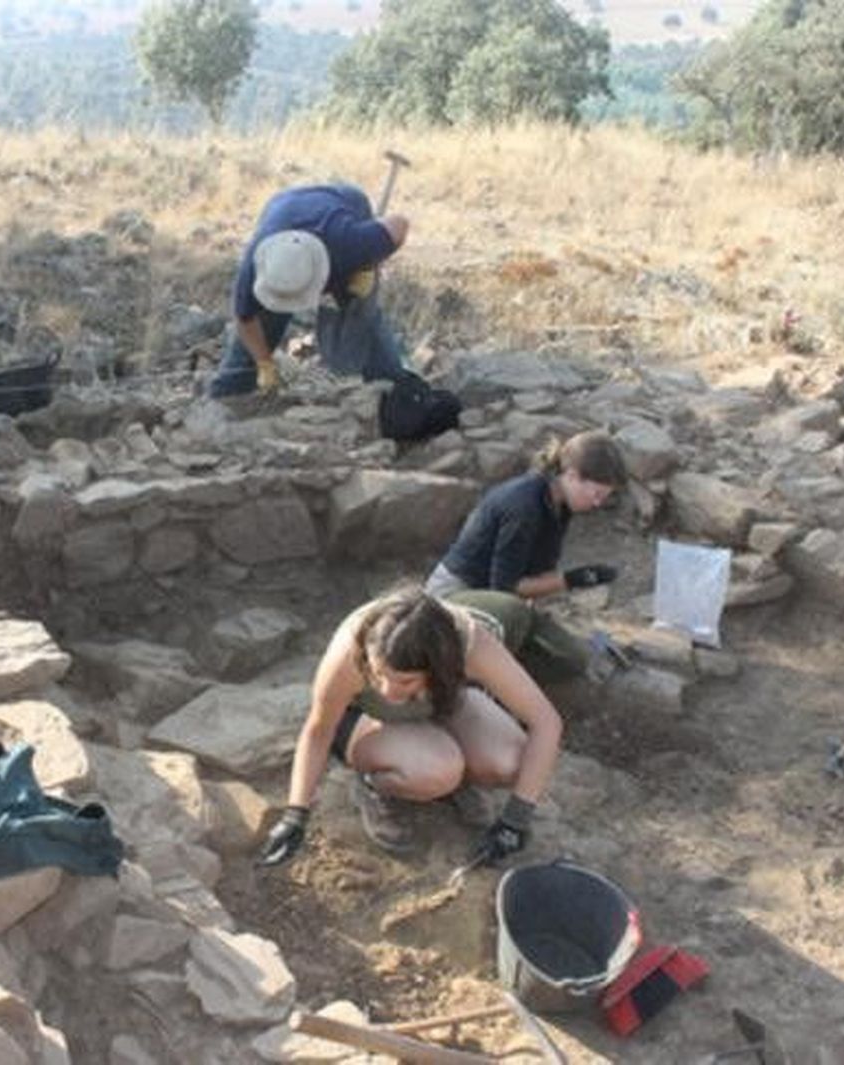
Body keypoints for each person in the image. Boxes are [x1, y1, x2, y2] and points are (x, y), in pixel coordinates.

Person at [256, 586, 562, 867]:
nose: (388, 690)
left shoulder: (468, 642)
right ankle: (374, 785)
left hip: (436, 703)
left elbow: (546, 722)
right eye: (378, 674)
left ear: (437, 666)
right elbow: (318, 730)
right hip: (362, 718)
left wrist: (515, 820)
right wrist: (295, 815)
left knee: (510, 764)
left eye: (404, 680)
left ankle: (456, 782)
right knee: (437, 769)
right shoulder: (352, 650)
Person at [425, 431, 628, 682]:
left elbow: (536, 573)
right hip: (452, 597)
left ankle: (502, 668)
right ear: (572, 476)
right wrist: (572, 579)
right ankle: (481, 683)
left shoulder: (560, 503)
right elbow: (505, 590)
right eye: (596, 494)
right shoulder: (524, 506)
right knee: (515, 619)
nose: (597, 503)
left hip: (494, 600)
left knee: (573, 658)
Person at [210, 183, 409, 397]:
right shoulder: (255, 268)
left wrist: (368, 265)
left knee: (359, 311)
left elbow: (399, 224)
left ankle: (394, 386)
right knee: (264, 320)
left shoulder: (349, 245)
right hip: (282, 205)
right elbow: (245, 318)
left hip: (344, 203)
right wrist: (264, 363)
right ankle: (229, 390)